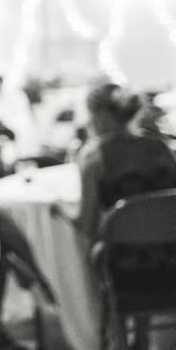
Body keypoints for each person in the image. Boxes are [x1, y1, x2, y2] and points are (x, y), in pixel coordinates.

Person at [70, 82, 176, 239]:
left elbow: (87, 227)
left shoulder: (95, 156)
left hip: (123, 256)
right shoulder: (162, 146)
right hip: (170, 252)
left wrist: (59, 209)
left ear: (96, 115)